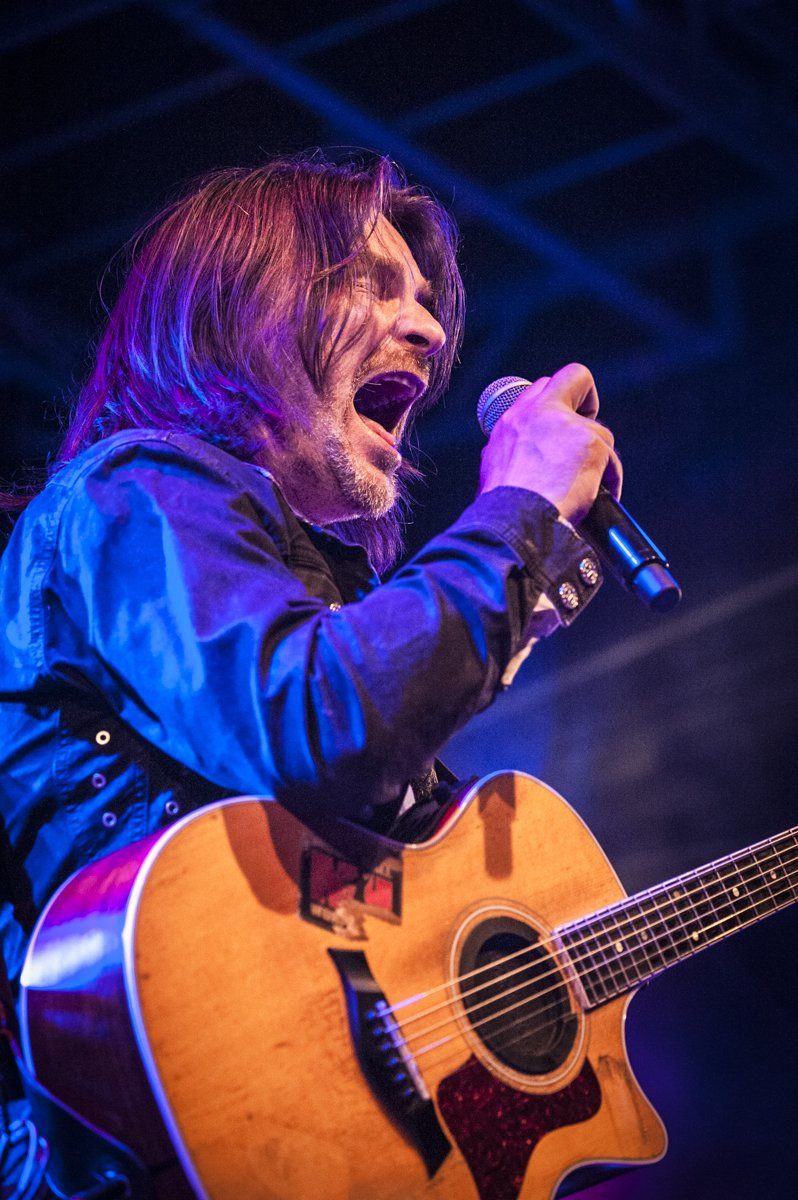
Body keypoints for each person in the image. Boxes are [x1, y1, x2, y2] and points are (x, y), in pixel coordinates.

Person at [0, 151, 618, 1193]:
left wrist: (539, 570)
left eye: (426, 302)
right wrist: (516, 519)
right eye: (372, 286)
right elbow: (320, 721)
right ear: (240, 314)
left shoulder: (316, 593)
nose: (429, 331)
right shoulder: (130, 492)